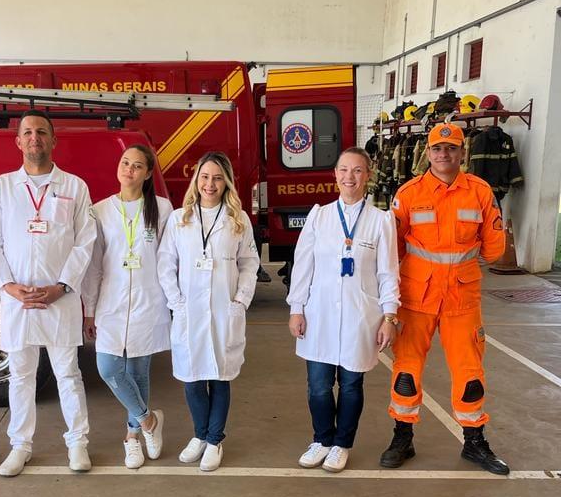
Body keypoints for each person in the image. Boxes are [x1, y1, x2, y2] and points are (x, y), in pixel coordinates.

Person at [382, 122, 509, 474]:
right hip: (416, 297)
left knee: (470, 373)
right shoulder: (408, 194)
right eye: (437, 148)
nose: (443, 154)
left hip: (461, 299)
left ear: (462, 153)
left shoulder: (481, 193)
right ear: (428, 152)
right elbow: (391, 249)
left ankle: (474, 441)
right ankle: (402, 436)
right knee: (406, 370)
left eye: (451, 148)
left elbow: (496, 248)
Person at [0, 111, 96, 476]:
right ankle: (20, 445)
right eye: (27, 132)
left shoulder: (74, 187)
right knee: (20, 375)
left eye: (41, 132)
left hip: (58, 299)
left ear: (53, 140)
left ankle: (77, 442)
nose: (34, 138)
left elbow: (85, 243)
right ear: (18, 142)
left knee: (68, 373)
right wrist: (10, 287)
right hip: (18, 301)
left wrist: (61, 286)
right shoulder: (2, 188)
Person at [287, 148, 400, 472]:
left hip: (360, 317)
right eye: (344, 170)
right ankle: (322, 439)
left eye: (358, 171)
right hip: (319, 315)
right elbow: (303, 266)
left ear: (368, 175)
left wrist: (389, 316)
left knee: (351, 385)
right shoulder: (319, 216)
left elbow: (388, 273)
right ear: (335, 174)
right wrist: (297, 308)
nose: (350, 177)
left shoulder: (381, 221)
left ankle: (342, 444)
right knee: (318, 385)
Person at [157, 151, 259, 471]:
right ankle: (199, 434)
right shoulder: (179, 219)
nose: (210, 184)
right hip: (189, 310)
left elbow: (249, 264)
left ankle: (215, 440)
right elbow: (165, 265)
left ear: (225, 181)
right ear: (196, 180)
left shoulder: (237, 221)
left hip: (223, 310)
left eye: (217, 178)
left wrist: (240, 301)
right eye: (204, 177)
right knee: (191, 377)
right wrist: (177, 302)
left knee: (219, 376)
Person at [82, 145, 173, 469]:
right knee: (109, 368)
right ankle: (149, 421)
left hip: (149, 301)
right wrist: (89, 308)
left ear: (148, 173)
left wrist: (173, 301)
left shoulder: (162, 210)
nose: (129, 169)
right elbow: (93, 264)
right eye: (125, 163)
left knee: (137, 371)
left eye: (137, 166)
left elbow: (168, 260)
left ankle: (132, 436)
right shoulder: (101, 210)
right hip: (112, 301)